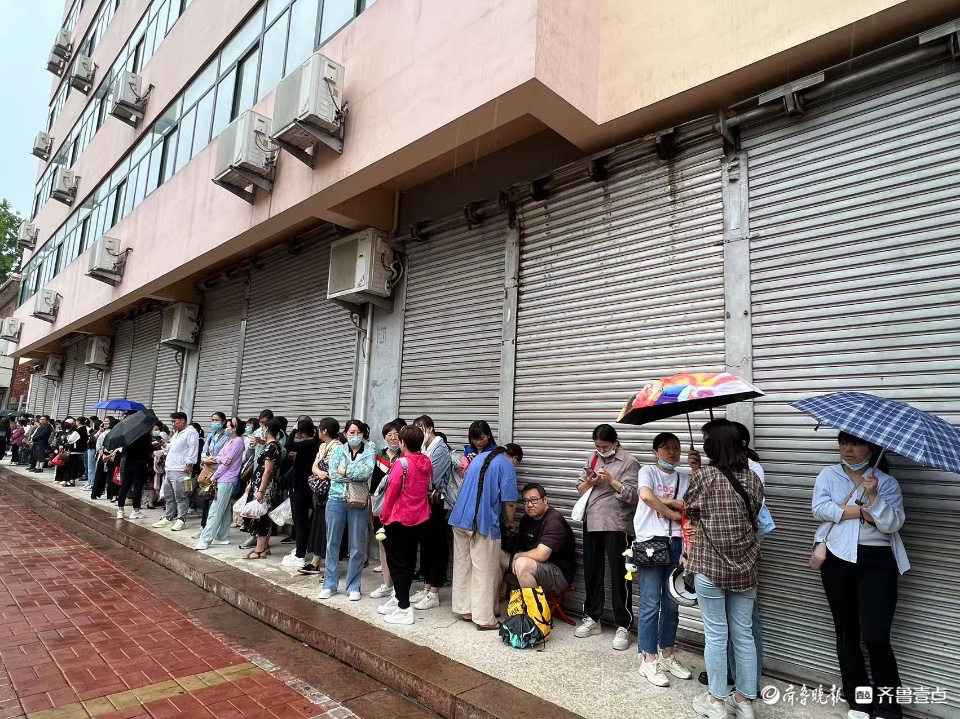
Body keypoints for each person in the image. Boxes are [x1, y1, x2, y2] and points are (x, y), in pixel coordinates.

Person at [812, 432, 908, 719]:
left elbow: (892, 524)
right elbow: (819, 509)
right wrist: (864, 512)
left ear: (872, 448)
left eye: (855, 443)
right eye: (843, 442)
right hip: (838, 559)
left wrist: (875, 497)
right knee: (846, 633)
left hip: (877, 561)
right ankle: (860, 702)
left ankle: (889, 709)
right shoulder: (828, 475)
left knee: (876, 637)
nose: (848, 449)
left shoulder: (886, 482)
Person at [684, 419, 763, 719]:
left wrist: (695, 474)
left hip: (709, 565)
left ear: (713, 446)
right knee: (743, 634)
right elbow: (753, 514)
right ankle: (744, 702)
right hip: (746, 566)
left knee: (717, 634)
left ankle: (716, 702)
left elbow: (691, 509)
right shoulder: (754, 479)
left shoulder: (704, 476)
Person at [633, 432, 693, 687]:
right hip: (651, 542)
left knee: (672, 604)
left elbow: (690, 506)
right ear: (656, 451)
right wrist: (672, 509)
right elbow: (646, 496)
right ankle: (648, 660)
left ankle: (667, 654)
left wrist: (670, 504)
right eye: (667, 448)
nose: (672, 452)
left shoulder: (685, 477)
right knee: (649, 603)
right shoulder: (647, 471)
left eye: (676, 448)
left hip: (678, 543)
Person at [574, 424, 640, 651]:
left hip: (617, 524)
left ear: (615, 442)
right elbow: (580, 489)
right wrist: (590, 482)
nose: (601, 450)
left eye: (605, 446)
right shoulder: (591, 458)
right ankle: (593, 617)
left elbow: (633, 496)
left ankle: (624, 624)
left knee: (621, 574)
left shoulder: (629, 461)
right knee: (592, 571)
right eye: (597, 446)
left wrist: (612, 480)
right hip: (592, 520)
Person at [449, 440, 520, 631]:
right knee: (485, 570)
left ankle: (465, 609)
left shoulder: (479, 458)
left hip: (459, 519)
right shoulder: (507, 466)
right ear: (514, 458)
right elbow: (510, 503)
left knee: (464, 566)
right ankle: (484, 618)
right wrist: (511, 523)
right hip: (482, 523)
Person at [376, 425, 433, 625]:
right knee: (408, 562)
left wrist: (383, 515)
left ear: (403, 443)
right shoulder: (426, 461)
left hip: (398, 518)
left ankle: (404, 608)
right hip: (419, 518)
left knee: (397, 564)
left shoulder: (401, 464)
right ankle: (400, 599)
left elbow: (391, 492)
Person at [319, 420, 375, 600]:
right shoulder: (337, 450)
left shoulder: (370, 450)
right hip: (336, 498)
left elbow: (367, 472)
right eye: (351, 432)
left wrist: (345, 471)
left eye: (358, 432)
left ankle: (354, 586)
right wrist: (351, 473)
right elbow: (333, 473)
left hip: (358, 501)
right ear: (345, 434)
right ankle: (330, 584)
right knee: (332, 542)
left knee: (357, 545)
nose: (355, 435)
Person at [410, 416, 453, 611]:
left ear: (431, 428)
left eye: (421, 428)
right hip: (423, 503)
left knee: (436, 546)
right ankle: (427, 587)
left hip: (437, 504)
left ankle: (434, 591)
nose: (419, 432)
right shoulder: (424, 449)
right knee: (425, 545)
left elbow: (430, 477)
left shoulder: (440, 449)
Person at [501, 483, 575, 595]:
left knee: (522, 563)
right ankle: (498, 597)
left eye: (534, 500)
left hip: (558, 574)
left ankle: (535, 610)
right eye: (526, 501)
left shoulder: (554, 521)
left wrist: (518, 556)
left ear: (545, 500)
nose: (529, 505)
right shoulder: (526, 520)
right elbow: (522, 548)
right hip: (533, 566)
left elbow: (541, 555)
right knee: (495, 554)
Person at [298, 418, 342, 577]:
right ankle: (316, 562)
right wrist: (319, 472)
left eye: (319, 429)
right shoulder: (323, 446)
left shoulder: (337, 447)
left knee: (329, 530)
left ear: (324, 431)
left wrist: (320, 471)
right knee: (319, 526)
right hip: (322, 493)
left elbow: (332, 470)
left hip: (333, 493)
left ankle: (329, 568)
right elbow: (315, 466)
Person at [195, 417, 246, 550]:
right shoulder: (231, 441)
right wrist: (220, 459)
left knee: (215, 510)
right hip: (223, 478)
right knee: (223, 509)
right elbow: (222, 458)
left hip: (226, 478)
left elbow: (227, 462)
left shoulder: (238, 442)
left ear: (234, 428)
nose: (226, 428)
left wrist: (215, 475)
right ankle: (222, 536)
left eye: (228, 426)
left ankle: (205, 539)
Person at [369, 421, 404, 600]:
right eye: (389, 434)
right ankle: (386, 583)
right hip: (381, 508)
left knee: (397, 548)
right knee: (383, 545)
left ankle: (398, 588)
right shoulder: (379, 457)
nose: (393, 437)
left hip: (399, 509)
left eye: (396, 434)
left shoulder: (404, 457)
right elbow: (374, 485)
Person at [240, 417, 284, 559]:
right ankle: (264, 547)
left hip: (265, 486)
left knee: (261, 516)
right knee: (265, 514)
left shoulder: (271, 448)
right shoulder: (274, 445)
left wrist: (260, 490)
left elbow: (267, 471)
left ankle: (259, 550)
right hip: (264, 485)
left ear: (267, 429)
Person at [282, 418, 321, 567]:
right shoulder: (313, 445)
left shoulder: (308, 444)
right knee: (301, 520)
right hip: (304, 486)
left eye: (298, 433)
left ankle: (300, 555)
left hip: (299, 486)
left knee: (300, 520)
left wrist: (292, 430)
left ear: (302, 433)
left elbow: (288, 444)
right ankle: (300, 549)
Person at [153, 413, 199, 531]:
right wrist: (164, 445)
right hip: (170, 468)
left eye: (175, 421)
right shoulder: (177, 433)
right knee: (168, 494)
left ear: (183, 420)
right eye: (172, 422)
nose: (173, 424)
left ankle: (181, 519)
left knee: (181, 495)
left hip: (180, 469)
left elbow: (193, 448)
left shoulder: (191, 432)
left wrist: (189, 464)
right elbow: (171, 448)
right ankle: (169, 517)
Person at [191, 413, 230, 540]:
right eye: (212, 420)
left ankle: (217, 531)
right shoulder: (211, 436)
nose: (214, 422)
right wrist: (205, 459)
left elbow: (227, 455)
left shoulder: (227, 437)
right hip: (208, 470)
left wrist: (215, 459)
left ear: (223, 422)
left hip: (220, 472)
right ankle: (204, 527)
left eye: (217, 420)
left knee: (217, 502)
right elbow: (204, 451)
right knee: (207, 498)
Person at [115, 413, 153, 521]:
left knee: (125, 486)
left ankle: (120, 510)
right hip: (140, 464)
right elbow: (148, 450)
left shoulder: (126, 434)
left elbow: (124, 450)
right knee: (137, 487)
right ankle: (135, 511)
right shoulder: (144, 434)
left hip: (128, 463)